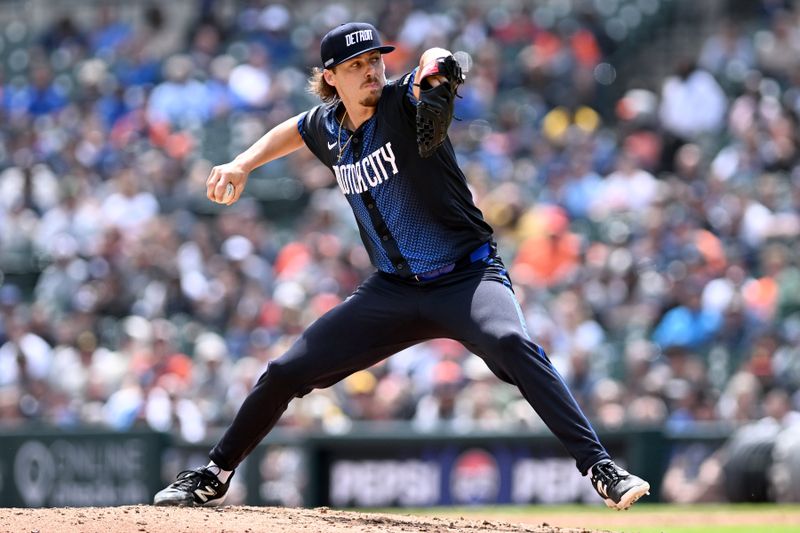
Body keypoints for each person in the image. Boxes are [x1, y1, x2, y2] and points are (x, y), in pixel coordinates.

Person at [153, 22, 650, 510]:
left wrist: (437, 66)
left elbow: (430, 68)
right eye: (356, 65)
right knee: (285, 369)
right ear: (331, 77)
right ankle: (214, 474)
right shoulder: (328, 126)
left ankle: (601, 467)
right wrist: (242, 163)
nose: (371, 71)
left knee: (512, 343)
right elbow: (295, 129)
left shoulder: (400, 104)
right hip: (392, 291)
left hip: (466, 277)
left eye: (375, 61)